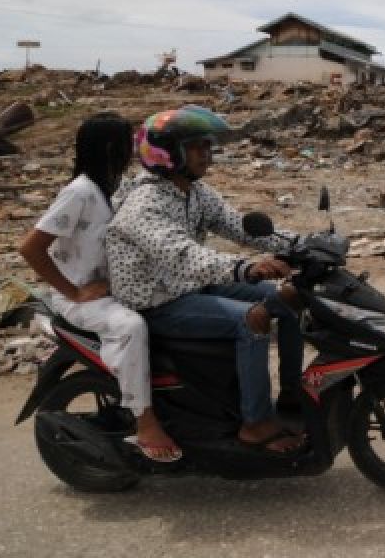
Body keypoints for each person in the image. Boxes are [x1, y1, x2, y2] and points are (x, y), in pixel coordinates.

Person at [106, 106, 304, 454]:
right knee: (253, 320)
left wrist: (303, 245)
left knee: (288, 297)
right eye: (196, 146)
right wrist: (245, 268)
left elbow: (239, 226)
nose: (206, 154)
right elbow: (183, 254)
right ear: (167, 153)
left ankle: (291, 394)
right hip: (158, 302)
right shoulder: (144, 204)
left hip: (187, 285)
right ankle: (255, 424)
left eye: (207, 146)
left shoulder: (194, 192)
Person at [19, 112, 181, 463]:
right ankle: (145, 421)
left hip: (111, 289)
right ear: (111, 148)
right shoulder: (79, 193)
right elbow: (30, 248)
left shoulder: (113, 188)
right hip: (79, 298)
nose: (132, 152)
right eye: (127, 144)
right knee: (131, 327)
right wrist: (73, 292)